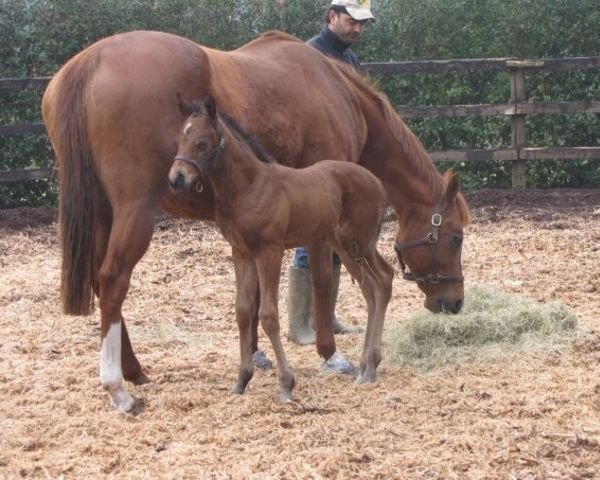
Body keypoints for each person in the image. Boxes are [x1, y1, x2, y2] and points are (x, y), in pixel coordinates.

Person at [287, 0, 375, 345]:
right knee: (311, 241)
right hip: (312, 166)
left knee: (333, 240)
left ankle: (326, 317)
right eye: (351, 21)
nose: (357, 29)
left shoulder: (350, 59)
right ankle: (300, 325)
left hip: (340, 166)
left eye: (362, 24)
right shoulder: (311, 56)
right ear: (332, 17)